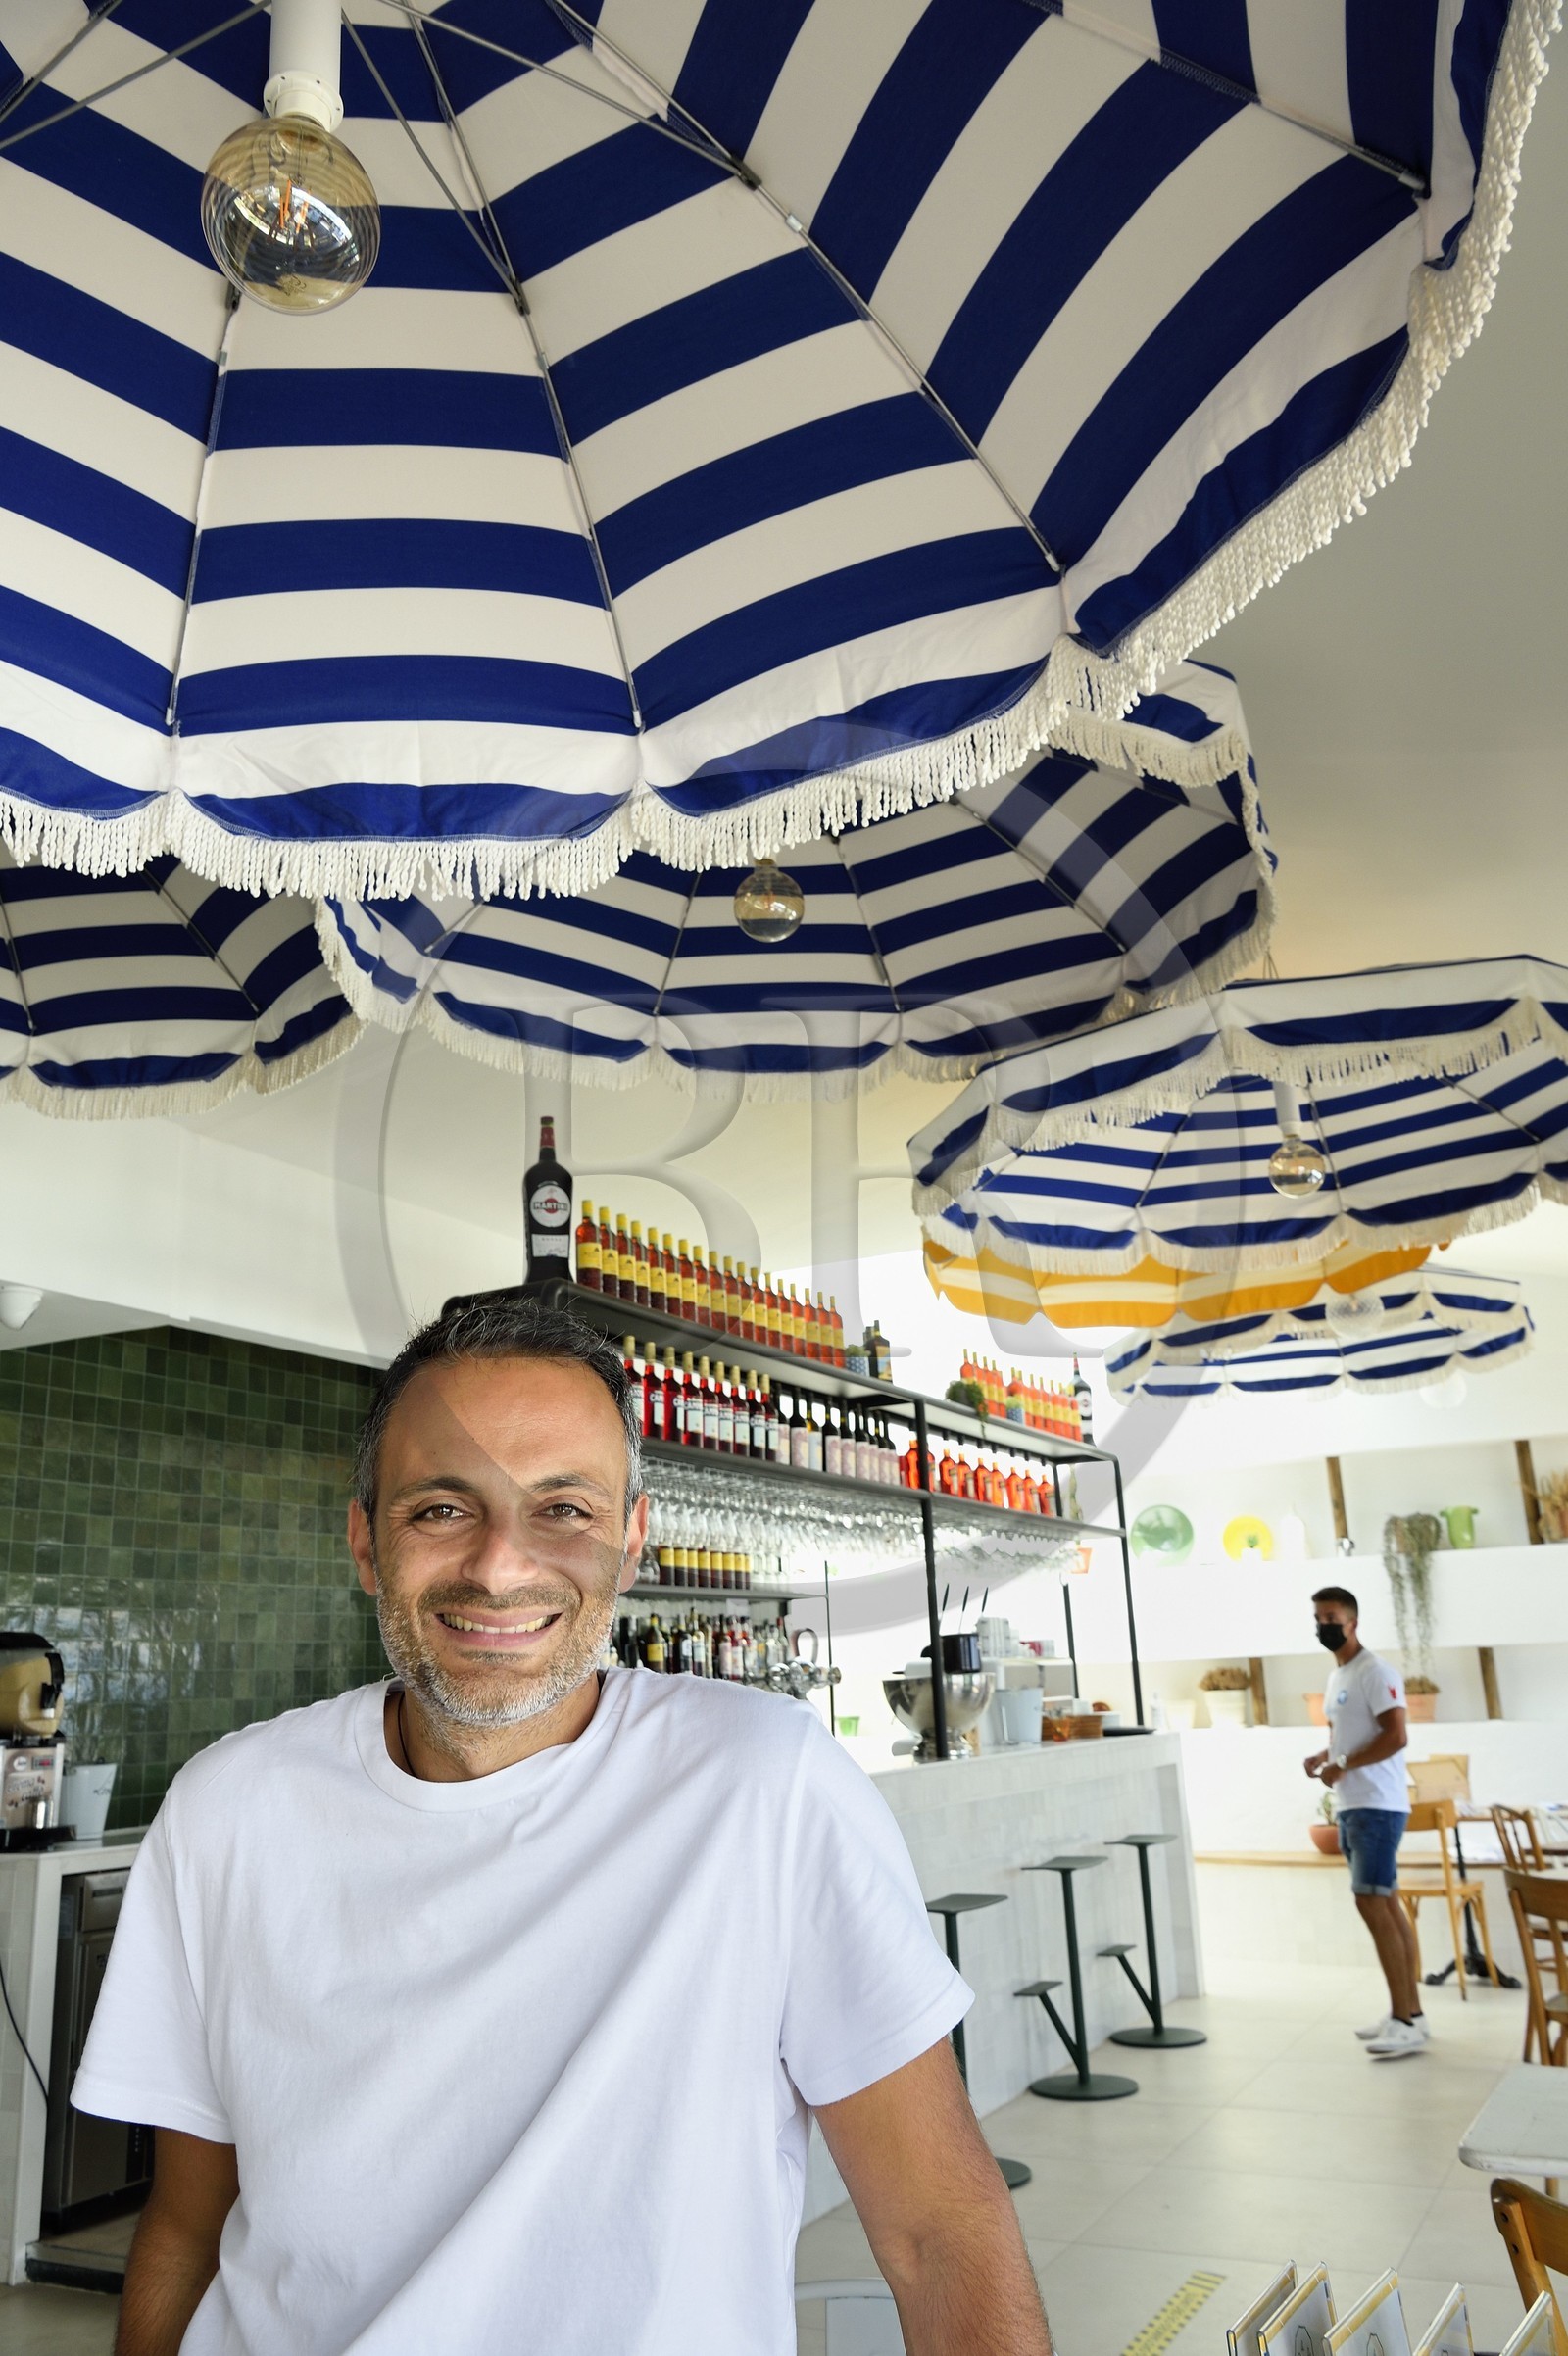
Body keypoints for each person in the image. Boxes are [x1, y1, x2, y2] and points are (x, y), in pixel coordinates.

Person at [74, 1298, 1054, 2356]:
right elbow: (185, 2224)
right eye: (441, 1508)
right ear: (364, 1540)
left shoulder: (765, 1789)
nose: (499, 1567)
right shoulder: (227, 1809)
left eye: (563, 1509)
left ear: (631, 1540)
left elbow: (937, 2232)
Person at [1303, 1584, 1425, 2060]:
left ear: (1353, 1622)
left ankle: (1403, 2020)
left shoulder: (1376, 1671)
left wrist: (1345, 1764)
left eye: (1330, 1617)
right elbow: (1344, 1735)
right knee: (1387, 1906)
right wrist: (1323, 1756)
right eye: (1318, 1618)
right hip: (1355, 1805)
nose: (1323, 1626)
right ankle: (1409, 2013)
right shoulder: (1339, 1676)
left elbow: (1396, 1737)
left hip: (1377, 1805)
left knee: (1373, 1905)